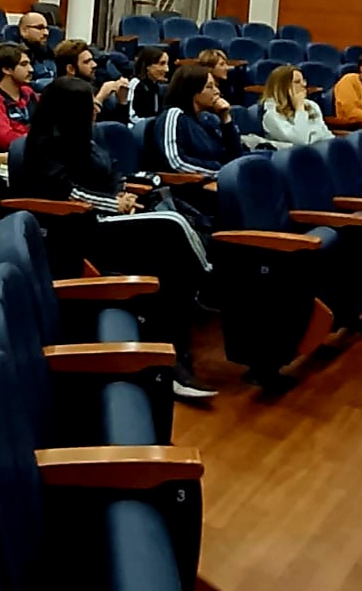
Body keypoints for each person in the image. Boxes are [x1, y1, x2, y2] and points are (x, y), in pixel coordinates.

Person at [18, 76, 216, 401]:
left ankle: (175, 356)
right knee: (170, 225)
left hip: (109, 218)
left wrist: (122, 193)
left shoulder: (85, 137)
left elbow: (112, 171)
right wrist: (113, 203)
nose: (96, 109)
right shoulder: (44, 144)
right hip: (79, 230)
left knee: (170, 267)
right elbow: (64, 192)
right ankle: (207, 284)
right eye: (89, 105)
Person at [151, 64, 242, 174]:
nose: (217, 91)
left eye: (215, 86)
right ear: (192, 91)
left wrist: (225, 118)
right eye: (209, 87)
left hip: (216, 179)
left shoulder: (207, 119)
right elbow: (176, 162)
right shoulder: (173, 115)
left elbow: (234, 157)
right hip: (189, 183)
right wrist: (220, 172)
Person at [0, 43, 39, 149]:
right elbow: (5, 139)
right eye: (24, 64)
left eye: (29, 64)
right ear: (7, 69)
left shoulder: (28, 92)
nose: (31, 69)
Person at [55, 38, 129, 121]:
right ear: (71, 69)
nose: (94, 65)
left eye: (92, 60)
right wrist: (100, 98)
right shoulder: (60, 95)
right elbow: (81, 125)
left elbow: (118, 126)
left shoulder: (93, 86)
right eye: (87, 62)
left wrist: (122, 101)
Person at [260, 64, 331, 146]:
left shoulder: (312, 105)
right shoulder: (271, 115)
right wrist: (299, 108)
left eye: (303, 80)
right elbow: (300, 141)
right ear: (282, 88)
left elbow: (326, 135)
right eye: (297, 82)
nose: (304, 84)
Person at [128, 46, 170, 123]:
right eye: (162, 64)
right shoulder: (135, 83)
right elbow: (130, 116)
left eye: (167, 64)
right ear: (148, 66)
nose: (167, 69)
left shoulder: (156, 87)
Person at [15, 10, 56, 81]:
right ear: (23, 31)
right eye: (40, 28)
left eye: (47, 28)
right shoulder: (16, 56)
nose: (46, 33)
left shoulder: (49, 53)